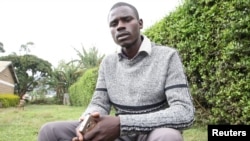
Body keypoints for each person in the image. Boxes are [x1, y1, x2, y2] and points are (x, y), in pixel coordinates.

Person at [37, 2, 195, 141]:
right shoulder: (108, 63)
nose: (120, 26)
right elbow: (99, 103)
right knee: (49, 132)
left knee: (169, 137)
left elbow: (184, 112)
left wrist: (122, 124)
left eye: (127, 19)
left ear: (140, 23)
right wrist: (87, 122)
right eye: (114, 24)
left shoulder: (167, 56)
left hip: (154, 131)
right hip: (118, 133)